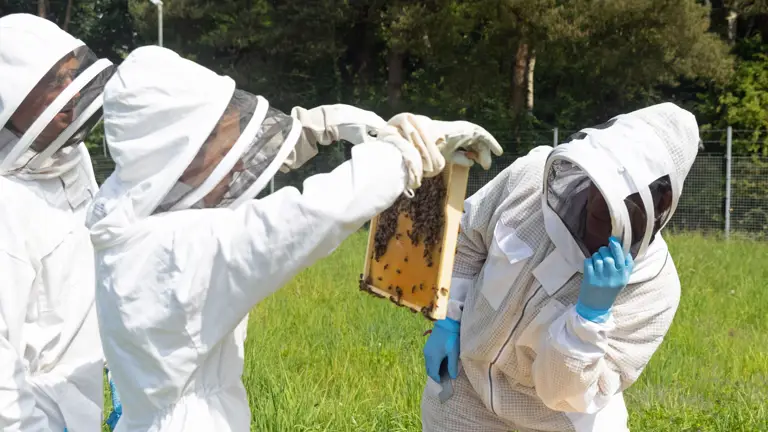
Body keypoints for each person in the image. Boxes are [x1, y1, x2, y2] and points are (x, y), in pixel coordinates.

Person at [85, 45, 503, 432]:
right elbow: (304, 217)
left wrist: (311, 129)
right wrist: (405, 155)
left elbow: (225, 165)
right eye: (214, 146)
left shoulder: (124, 213)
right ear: (176, 154)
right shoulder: (175, 254)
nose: (231, 168)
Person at [421, 102, 701, 432]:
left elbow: (565, 395)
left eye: (616, 193)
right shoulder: (529, 177)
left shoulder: (654, 291)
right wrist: (449, 319)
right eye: (596, 179)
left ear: (661, 203)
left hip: (556, 420)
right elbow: (469, 237)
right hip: (465, 389)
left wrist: (589, 319)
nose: (597, 200)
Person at [0, 13, 118, 431]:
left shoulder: (72, 156)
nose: (70, 94)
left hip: (80, 394)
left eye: (72, 77)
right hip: (30, 411)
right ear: (10, 94)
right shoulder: (5, 204)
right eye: (54, 82)